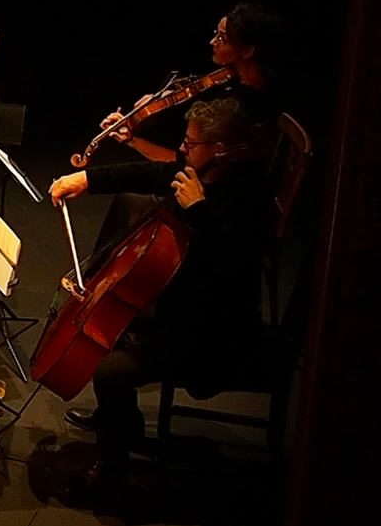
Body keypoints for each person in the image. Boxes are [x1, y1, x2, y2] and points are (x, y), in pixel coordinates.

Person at [47, 97, 272, 489]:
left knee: (111, 370)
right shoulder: (205, 171)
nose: (182, 149)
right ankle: (123, 425)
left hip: (214, 335)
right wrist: (88, 180)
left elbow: (231, 270)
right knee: (132, 209)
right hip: (185, 309)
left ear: (219, 149)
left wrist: (199, 210)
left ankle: (112, 472)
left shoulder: (247, 200)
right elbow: (152, 173)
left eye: (190, 143)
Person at [84, 2, 287, 249]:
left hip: (215, 212)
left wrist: (130, 145)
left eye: (222, 38)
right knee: (127, 201)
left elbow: (181, 164)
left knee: (131, 203)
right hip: (216, 195)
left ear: (247, 51)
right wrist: (132, 139)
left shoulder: (241, 113)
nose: (213, 42)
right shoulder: (246, 87)